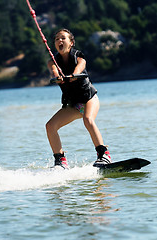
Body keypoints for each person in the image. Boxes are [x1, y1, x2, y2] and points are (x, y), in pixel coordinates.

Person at [46, 28, 111, 169]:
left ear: (71, 43)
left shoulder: (77, 56)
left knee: (87, 120)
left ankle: (103, 155)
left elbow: (81, 65)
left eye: (63, 38)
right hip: (73, 105)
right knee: (50, 126)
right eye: (57, 39)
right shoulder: (53, 61)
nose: (59, 41)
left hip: (89, 98)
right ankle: (60, 161)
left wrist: (74, 74)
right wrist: (58, 77)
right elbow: (54, 70)